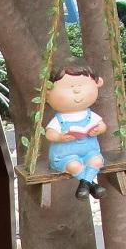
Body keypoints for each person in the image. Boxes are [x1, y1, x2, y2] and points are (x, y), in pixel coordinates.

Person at [43, 63, 107, 199]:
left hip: (90, 153)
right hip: (65, 156)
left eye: (81, 86)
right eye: (70, 88)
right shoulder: (59, 119)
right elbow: (49, 133)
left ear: (97, 83)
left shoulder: (89, 114)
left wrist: (98, 129)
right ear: (48, 92)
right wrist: (60, 137)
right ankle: (92, 186)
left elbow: (102, 126)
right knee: (74, 166)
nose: (77, 91)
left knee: (97, 161)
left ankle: (84, 185)